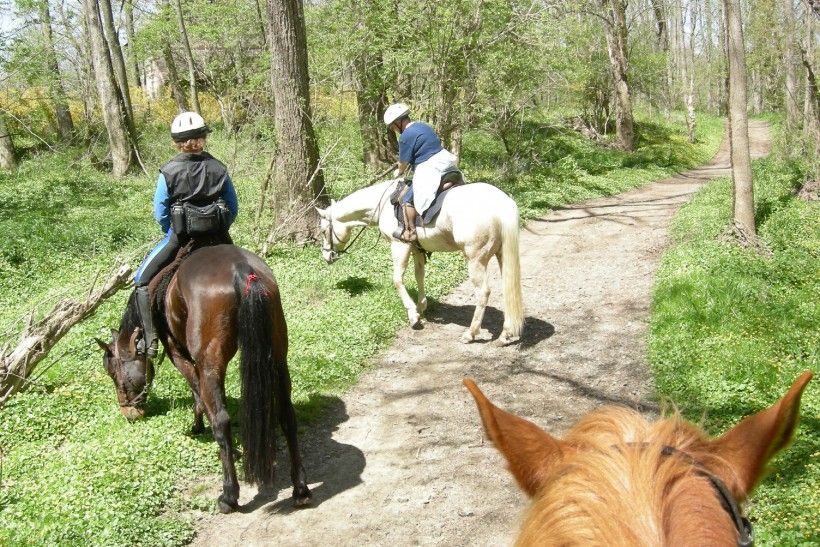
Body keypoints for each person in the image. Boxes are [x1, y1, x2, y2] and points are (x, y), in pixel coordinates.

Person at [132, 112, 238, 357]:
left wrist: (172, 232)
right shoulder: (219, 168)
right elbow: (232, 206)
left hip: (180, 239)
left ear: (175, 142)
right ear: (204, 139)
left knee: (142, 280)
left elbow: (160, 212)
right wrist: (221, 228)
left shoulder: (168, 172)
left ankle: (150, 340)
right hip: (219, 239)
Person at [384, 103, 458, 243]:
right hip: (446, 161)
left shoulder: (405, 136)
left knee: (406, 199)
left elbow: (403, 164)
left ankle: (410, 232)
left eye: (392, 126)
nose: (393, 129)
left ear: (398, 122)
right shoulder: (423, 126)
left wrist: (398, 172)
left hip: (429, 167)